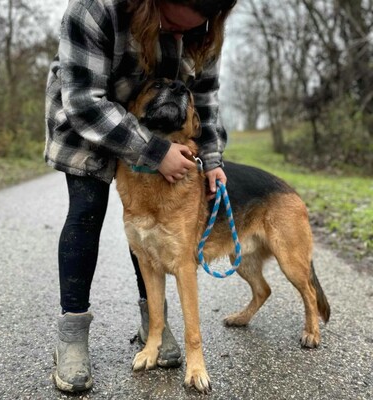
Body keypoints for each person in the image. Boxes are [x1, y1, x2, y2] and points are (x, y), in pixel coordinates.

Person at [45, 0, 237, 392]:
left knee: (156, 226)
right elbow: (83, 102)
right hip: (89, 117)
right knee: (86, 209)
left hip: (161, 123)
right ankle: (72, 336)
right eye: (172, 25)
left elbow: (205, 97)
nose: (179, 41)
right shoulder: (96, 9)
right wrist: (153, 152)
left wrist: (212, 156)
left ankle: (155, 324)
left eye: (193, 30)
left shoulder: (204, 26)